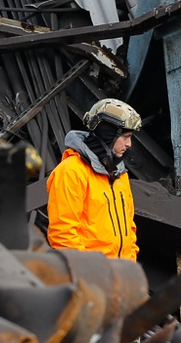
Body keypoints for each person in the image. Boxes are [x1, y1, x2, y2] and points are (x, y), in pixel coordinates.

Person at [46, 98, 143, 261]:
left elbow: (129, 230)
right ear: (109, 134)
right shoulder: (71, 172)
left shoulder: (120, 175)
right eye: (126, 137)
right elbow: (63, 236)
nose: (129, 144)